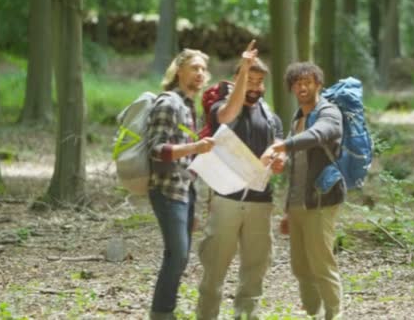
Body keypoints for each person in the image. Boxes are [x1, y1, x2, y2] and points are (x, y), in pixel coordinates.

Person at [196, 41, 285, 320]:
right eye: (250, 80)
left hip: (261, 203)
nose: (256, 88)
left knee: (255, 270)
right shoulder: (223, 106)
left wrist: (282, 159)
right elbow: (226, 116)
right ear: (237, 80)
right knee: (215, 269)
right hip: (226, 201)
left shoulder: (271, 116)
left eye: (260, 82)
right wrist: (244, 72)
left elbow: (279, 145)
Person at [267, 62, 345, 320]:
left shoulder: (329, 112)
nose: (302, 87)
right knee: (300, 267)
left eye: (307, 82)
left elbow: (321, 134)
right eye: (297, 83)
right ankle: (313, 313)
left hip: (322, 200)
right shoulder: (297, 118)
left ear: (318, 85)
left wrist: (285, 145)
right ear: (292, 88)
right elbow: (296, 167)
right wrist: (288, 209)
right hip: (299, 204)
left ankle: (334, 315)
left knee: (322, 265)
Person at [147, 48, 216, 320]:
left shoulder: (189, 107)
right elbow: (155, 149)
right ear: (179, 71)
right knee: (176, 254)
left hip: (184, 190)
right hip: (166, 189)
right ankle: (161, 313)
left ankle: (165, 311)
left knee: (181, 256)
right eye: (194, 68)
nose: (200, 73)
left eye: (202, 69)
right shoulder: (169, 103)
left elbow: (188, 160)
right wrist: (196, 146)